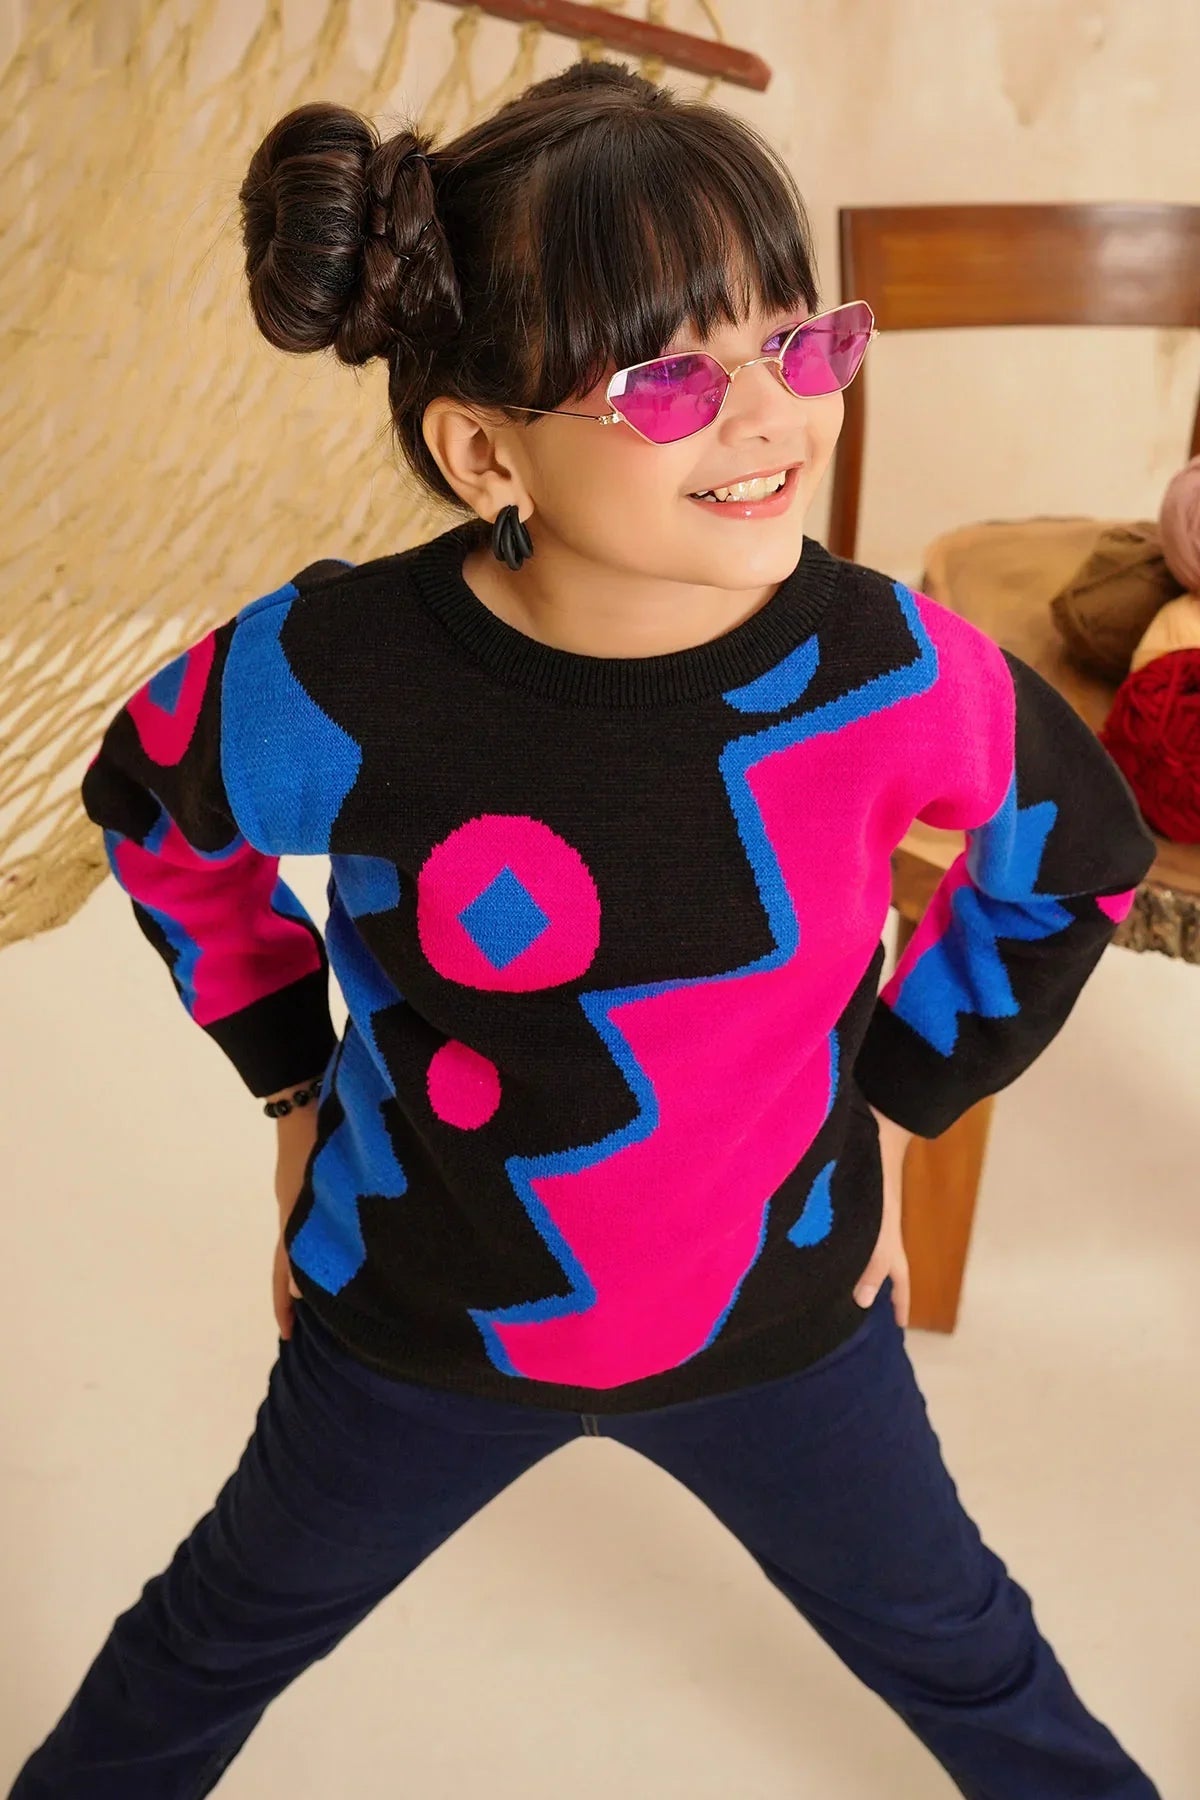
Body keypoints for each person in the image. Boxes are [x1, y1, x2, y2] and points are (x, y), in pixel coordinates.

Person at [9, 57, 1161, 1800]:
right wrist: (293, 1087)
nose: (768, 417)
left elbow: (1076, 857)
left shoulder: (889, 671)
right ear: (488, 448)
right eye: (674, 377)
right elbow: (153, 807)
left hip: (790, 1326)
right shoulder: (343, 680)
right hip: (411, 1330)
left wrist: (899, 1099)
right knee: (203, 1652)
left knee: (969, 1657)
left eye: (797, 342)